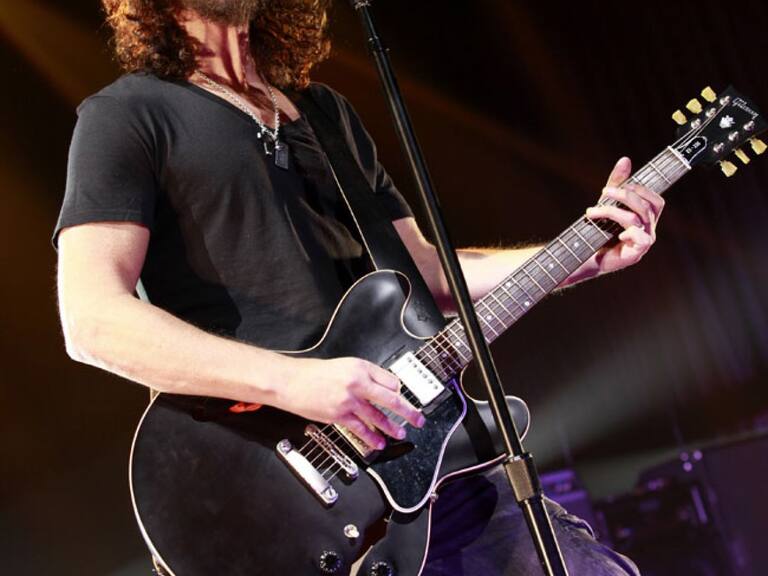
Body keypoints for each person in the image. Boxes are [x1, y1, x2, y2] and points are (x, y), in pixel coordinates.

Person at [55, 1, 663, 574]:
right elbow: (93, 320)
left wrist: (583, 254)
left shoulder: (324, 113)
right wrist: (294, 382)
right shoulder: (127, 115)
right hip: (261, 488)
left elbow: (428, 277)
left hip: (427, 463)